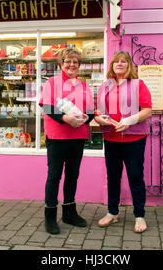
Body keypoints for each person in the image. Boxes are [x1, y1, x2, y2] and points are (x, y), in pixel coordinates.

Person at [94, 51, 152, 233]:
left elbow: (147, 110)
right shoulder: (104, 87)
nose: (119, 64)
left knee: (135, 177)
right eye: (116, 61)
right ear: (111, 66)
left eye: (123, 61)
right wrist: (99, 119)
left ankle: (139, 216)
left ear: (129, 66)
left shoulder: (138, 85)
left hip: (133, 138)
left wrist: (129, 121)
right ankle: (112, 213)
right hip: (111, 138)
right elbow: (97, 111)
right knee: (113, 176)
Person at [39, 47, 95, 234]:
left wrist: (85, 118)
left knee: (73, 175)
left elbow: (91, 111)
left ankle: (69, 213)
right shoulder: (52, 83)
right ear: (61, 64)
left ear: (79, 65)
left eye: (75, 62)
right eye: (67, 61)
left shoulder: (85, 86)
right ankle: (50, 216)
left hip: (78, 136)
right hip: (57, 136)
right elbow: (46, 106)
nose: (71, 65)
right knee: (54, 176)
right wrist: (66, 118)